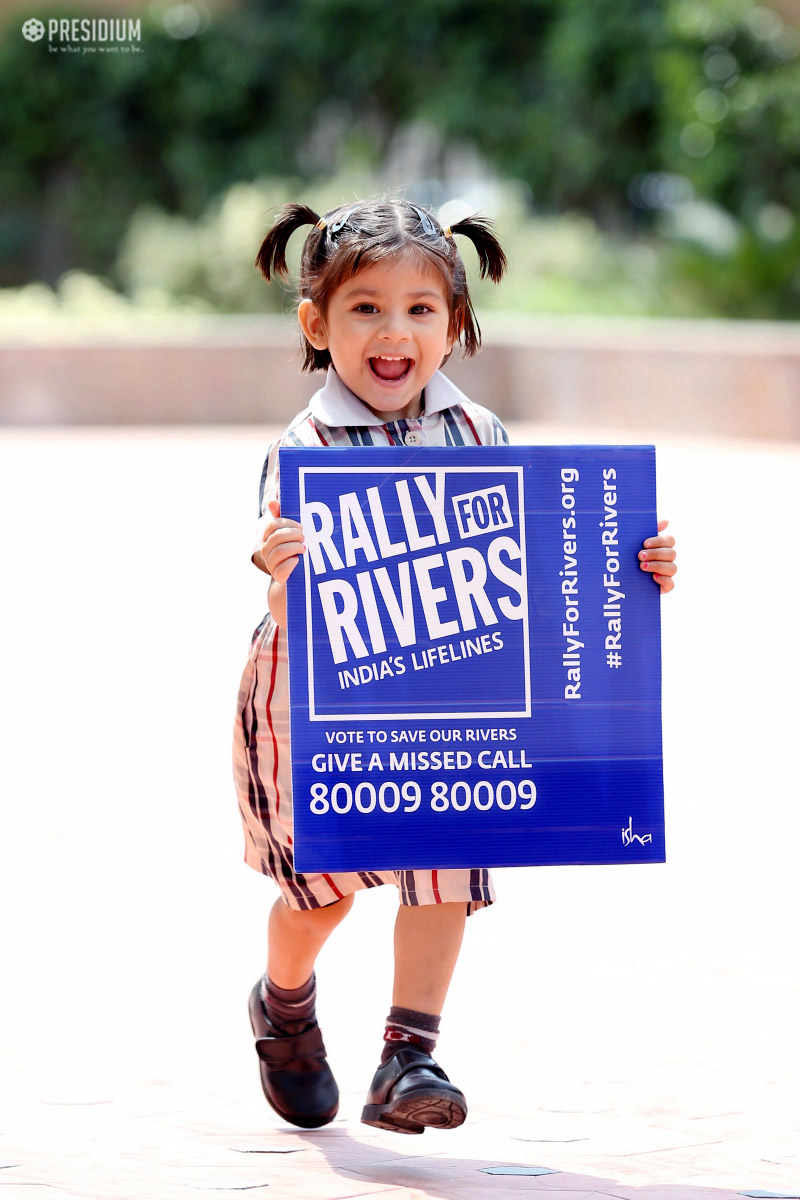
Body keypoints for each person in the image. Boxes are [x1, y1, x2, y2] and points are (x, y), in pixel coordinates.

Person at [232, 198, 677, 1136]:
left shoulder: (481, 437)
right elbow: (294, 596)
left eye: (420, 310)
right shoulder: (303, 450)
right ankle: (284, 1004)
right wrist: (284, 570)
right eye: (365, 309)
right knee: (319, 901)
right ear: (316, 324)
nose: (393, 332)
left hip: (451, 702)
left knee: (446, 868)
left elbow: (550, 561)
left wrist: (632, 567)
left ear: (455, 326)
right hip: (318, 709)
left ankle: (409, 1052)